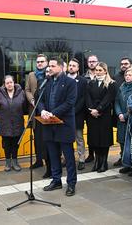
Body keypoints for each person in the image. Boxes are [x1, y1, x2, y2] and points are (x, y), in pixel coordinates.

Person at [39, 57, 77, 196]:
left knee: (68, 156)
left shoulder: (70, 82)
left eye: (53, 66)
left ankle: (71, 183)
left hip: (64, 124)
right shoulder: (47, 82)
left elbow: (70, 103)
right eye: (49, 66)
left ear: (61, 67)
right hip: (49, 125)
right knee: (53, 154)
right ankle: (56, 180)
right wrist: (42, 111)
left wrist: (52, 113)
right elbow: (41, 99)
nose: (49, 68)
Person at [86, 62, 116, 173]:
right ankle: (97, 161)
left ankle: (104, 163)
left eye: (100, 70)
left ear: (105, 71)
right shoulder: (90, 83)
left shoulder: (111, 83)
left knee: (104, 140)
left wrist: (98, 109)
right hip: (92, 116)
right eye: (96, 70)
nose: (97, 72)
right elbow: (87, 97)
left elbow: (108, 99)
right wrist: (92, 110)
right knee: (94, 140)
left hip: (104, 116)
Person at [0, 75, 26, 172]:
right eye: (7, 83)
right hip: (5, 124)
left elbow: (24, 107)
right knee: (6, 144)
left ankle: (15, 162)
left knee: (15, 144)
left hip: (18, 122)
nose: (9, 84)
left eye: (11, 82)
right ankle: (8, 163)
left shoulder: (21, 93)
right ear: (4, 84)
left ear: (14, 83)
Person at [115, 68, 132, 175]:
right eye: (126, 75)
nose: (127, 77)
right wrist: (119, 113)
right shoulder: (122, 87)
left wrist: (125, 115)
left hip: (131, 118)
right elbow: (116, 101)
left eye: (130, 75)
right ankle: (127, 164)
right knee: (122, 141)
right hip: (121, 119)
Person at [25, 54, 48, 169]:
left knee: (47, 137)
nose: (39, 63)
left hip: (46, 111)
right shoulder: (31, 75)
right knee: (37, 137)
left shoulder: (49, 74)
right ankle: (39, 160)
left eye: (42, 61)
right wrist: (32, 100)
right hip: (35, 110)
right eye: (38, 62)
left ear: (46, 62)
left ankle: (49, 160)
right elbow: (27, 90)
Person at [67, 58, 87, 170]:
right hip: (64, 115)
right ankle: (67, 159)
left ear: (78, 68)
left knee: (79, 138)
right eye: (70, 65)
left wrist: (74, 111)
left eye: (74, 66)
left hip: (77, 114)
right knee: (66, 138)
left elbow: (83, 98)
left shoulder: (83, 81)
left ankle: (81, 159)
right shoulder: (63, 79)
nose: (71, 67)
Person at [84, 54, 99, 163]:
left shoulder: (103, 76)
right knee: (90, 133)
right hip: (88, 110)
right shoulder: (84, 77)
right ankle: (90, 154)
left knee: (99, 133)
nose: (92, 63)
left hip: (100, 110)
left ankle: (99, 154)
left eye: (94, 61)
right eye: (90, 61)